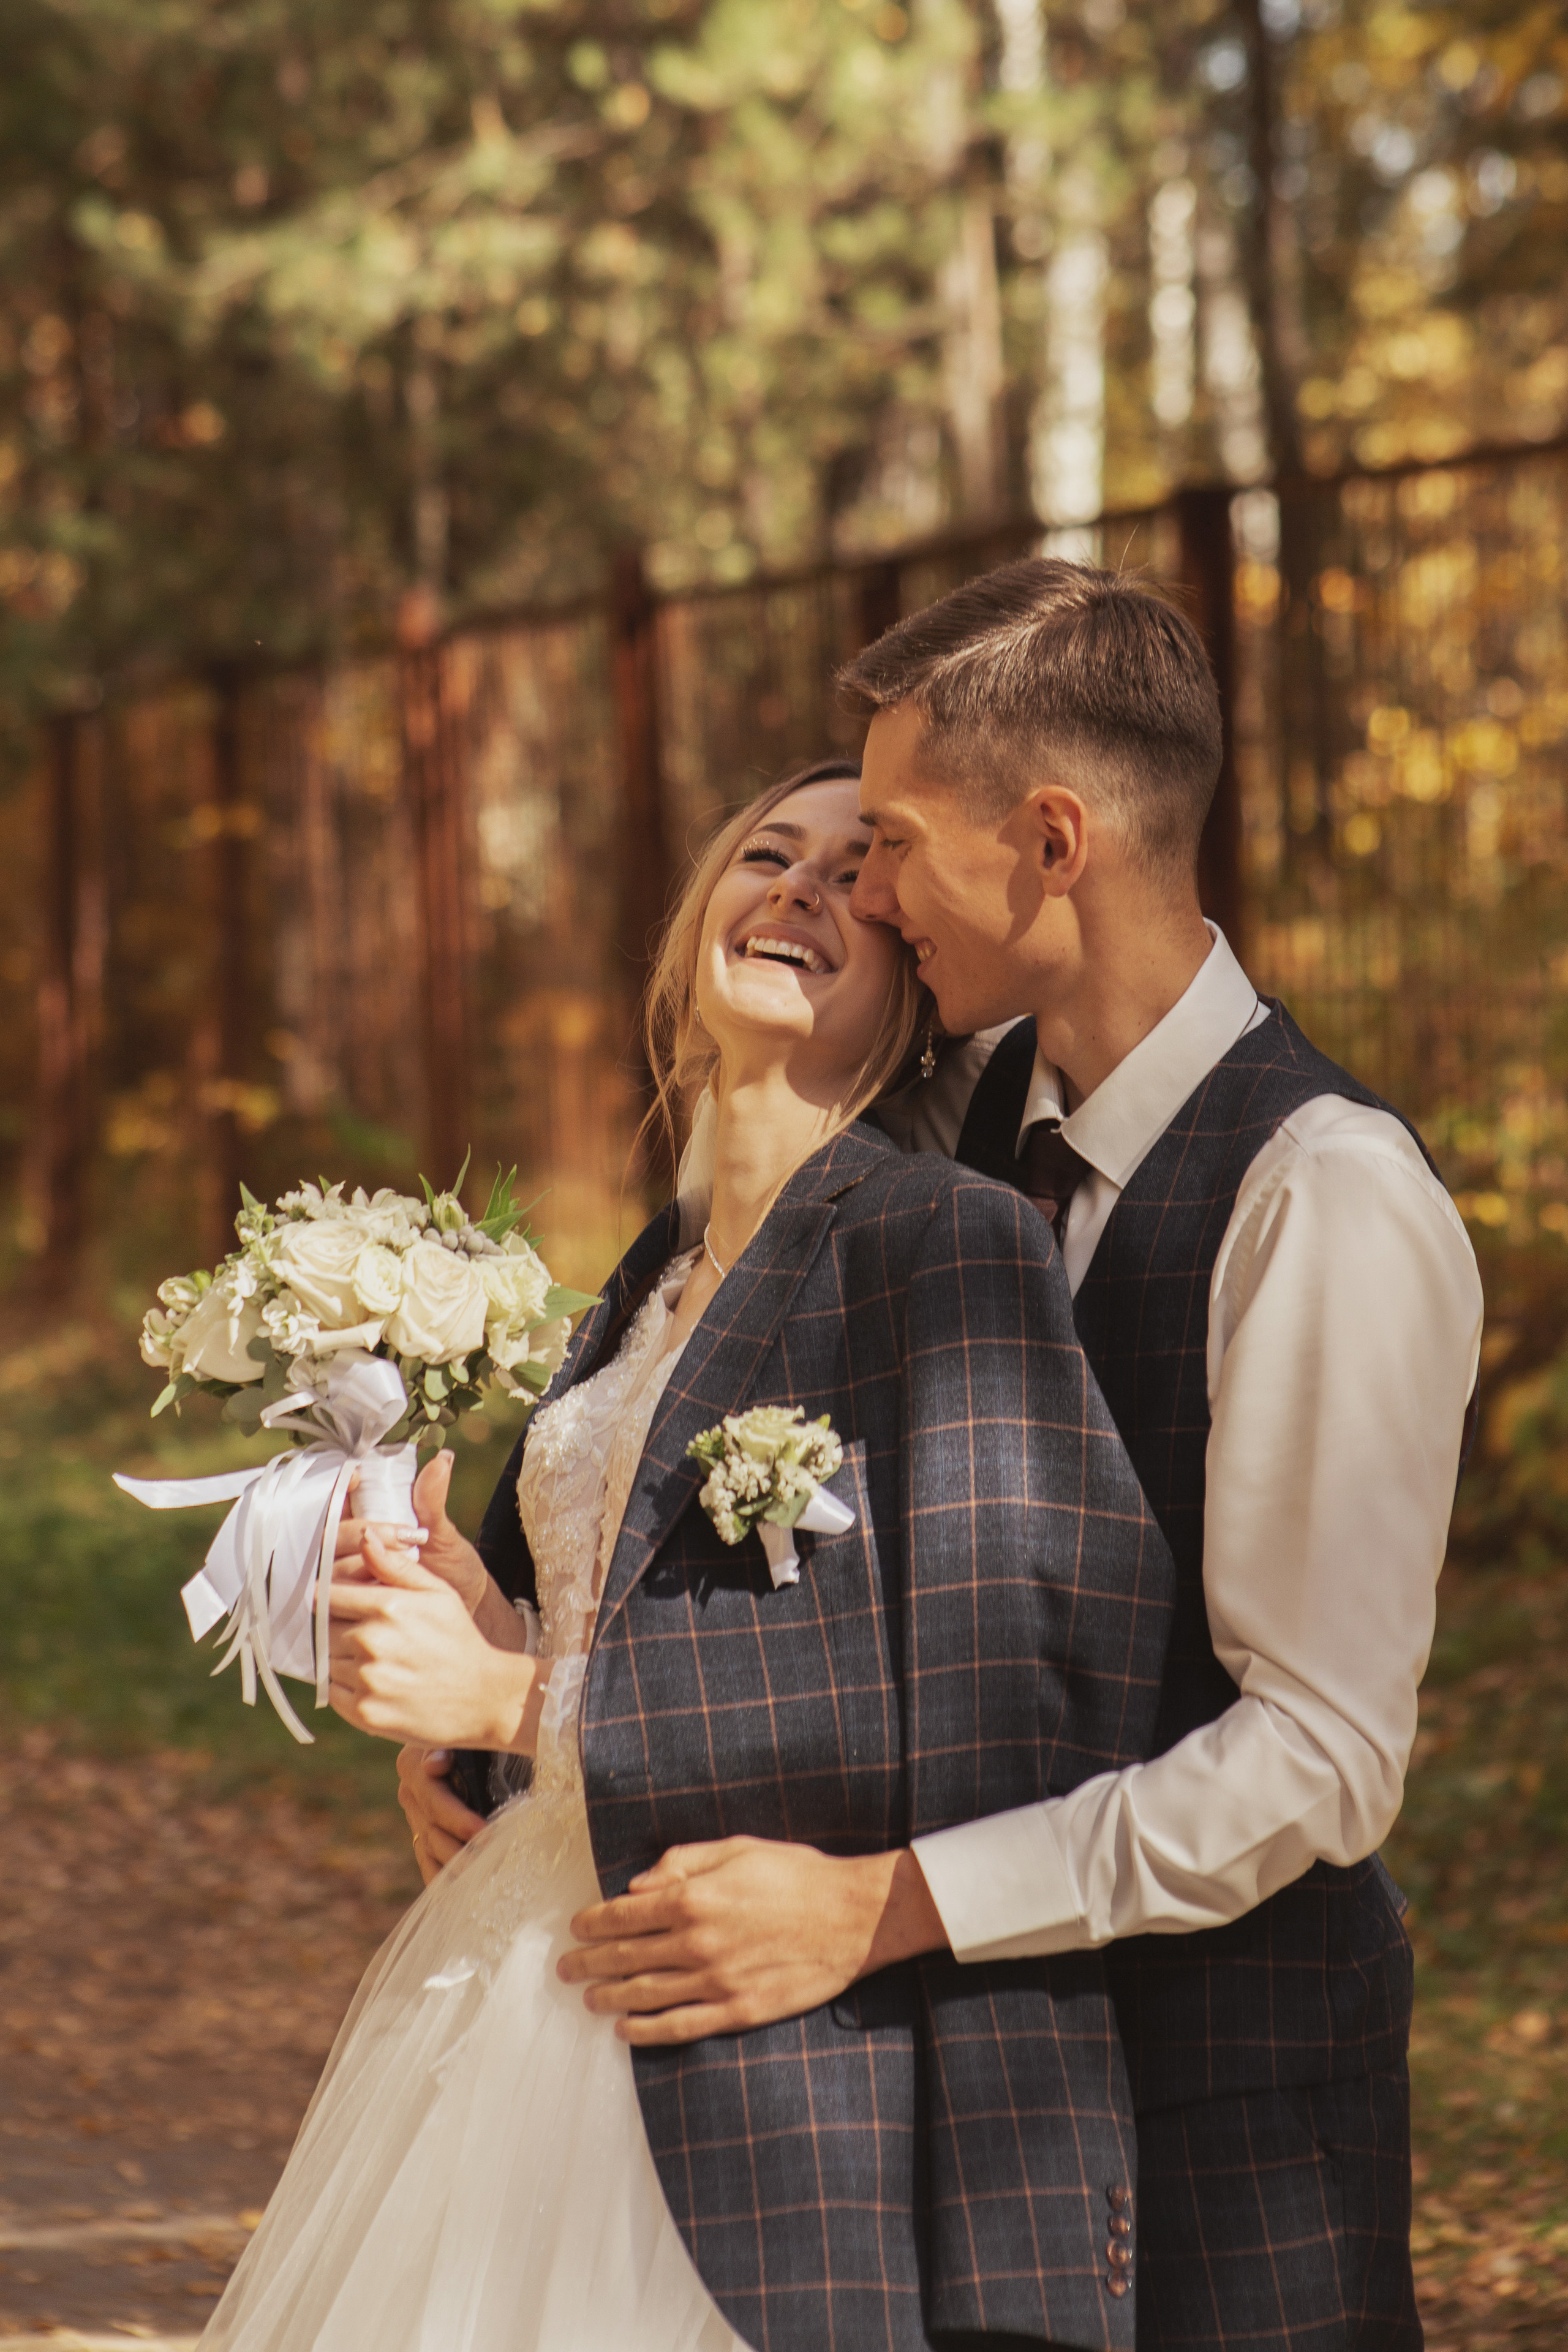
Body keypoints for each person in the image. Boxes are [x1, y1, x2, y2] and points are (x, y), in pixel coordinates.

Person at [407, 562, 1482, 2351]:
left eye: (893, 838)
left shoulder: (1326, 1198)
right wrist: (514, 1708)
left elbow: (1318, 1759)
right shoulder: (952, 1132)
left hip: (1223, 2106)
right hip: (949, 2113)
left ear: (1052, 841)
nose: (873, 892)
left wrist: (888, 1904)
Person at [201, 761, 1175, 2352]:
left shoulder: (946, 1244)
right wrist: (473, 1640)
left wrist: (534, 1708)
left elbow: (1017, 1709)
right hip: (508, 1998)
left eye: (855, 872)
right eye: (766, 854)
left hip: (760, 2070)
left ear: (919, 975)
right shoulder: (652, 1276)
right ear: (690, 930)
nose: (798, 886)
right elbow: (646, 1622)